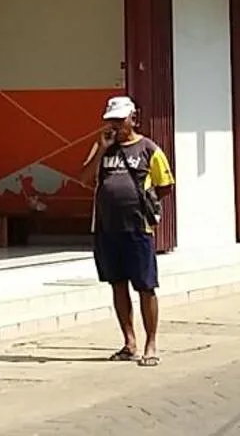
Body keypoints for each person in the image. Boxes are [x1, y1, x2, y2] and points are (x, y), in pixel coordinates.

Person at [81, 94, 173, 366]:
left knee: (145, 287)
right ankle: (129, 341)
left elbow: (165, 185)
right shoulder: (102, 148)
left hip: (137, 229)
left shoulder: (148, 149)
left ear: (133, 119)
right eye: (111, 120)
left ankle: (151, 343)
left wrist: (145, 203)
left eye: (121, 120)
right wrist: (100, 149)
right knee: (117, 285)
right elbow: (84, 178)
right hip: (107, 230)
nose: (116, 126)